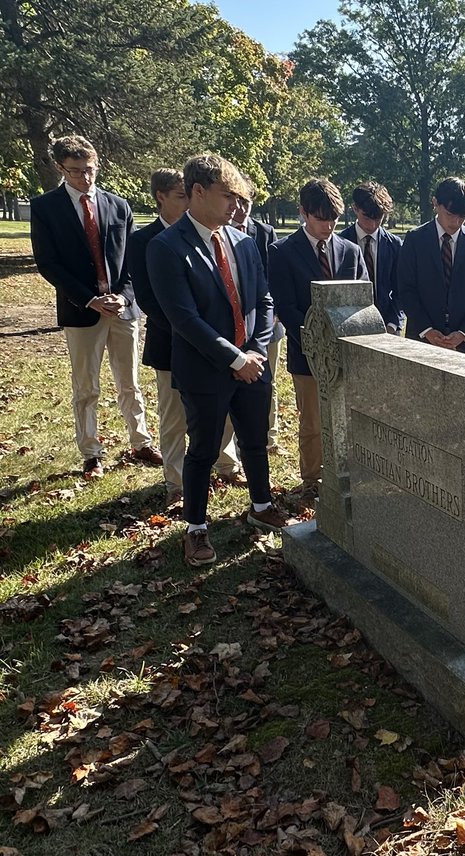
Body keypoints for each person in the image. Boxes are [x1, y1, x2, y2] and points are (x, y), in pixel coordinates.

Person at [145, 154, 292, 567]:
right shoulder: (166, 247)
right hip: (205, 369)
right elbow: (183, 318)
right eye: (228, 196)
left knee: (256, 441)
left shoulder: (243, 242)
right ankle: (195, 529)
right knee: (204, 449)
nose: (236, 206)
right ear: (197, 192)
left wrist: (257, 351)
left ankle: (261, 506)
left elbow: (263, 299)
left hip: (253, 365)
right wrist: (233, 358)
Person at [30, 134, 159, 478]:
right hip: (81, 311)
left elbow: (133, 258)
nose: (85, 178)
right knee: (86, 386)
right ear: (60, 168)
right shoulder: (46, 208)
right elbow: (48, 263)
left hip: (122, 309)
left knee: (129, 381)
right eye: (75, 172)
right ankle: (91, 452)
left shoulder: (118, 206)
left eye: (90, 170)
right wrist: (89, 299)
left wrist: (124, 295)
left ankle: (141, 442)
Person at [128, 168, 239, 507]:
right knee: (174, 414)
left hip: (218, 345)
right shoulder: (144, 241)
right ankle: (176, 481)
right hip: (171, 342)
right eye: (181, 197)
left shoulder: (213, 234)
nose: (188, 202)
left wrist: (215, 338)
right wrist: (188, 329)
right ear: (161, 197)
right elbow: (148, 299)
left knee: (223, 410)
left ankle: (227, 464)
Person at [269, 178, 366, 498]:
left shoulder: (350, 251)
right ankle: (312, 479)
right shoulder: (282, 252)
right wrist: (316, 342)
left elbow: (362, 300)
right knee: (312, 421)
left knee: (345, 418)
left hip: (346, 352)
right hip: (306, 353)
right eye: (321, 219)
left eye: (334, 219)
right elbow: (286, 306)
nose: (328, 226)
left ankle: (346, 475)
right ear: (303, 213)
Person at [399, 177, 465, 355]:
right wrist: (427, 330)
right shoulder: (415, 240)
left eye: (463, 217)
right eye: (450, 214)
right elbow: (406, 289)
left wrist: (463, 333)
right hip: (422, 341)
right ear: (435, 203)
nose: (456, 222)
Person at [231, 181, 281, 454]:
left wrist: (271, 316)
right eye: (235, 202)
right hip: (232, 326)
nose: (240, 209)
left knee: (266, 381)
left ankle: (268, 437)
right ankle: (231, 451)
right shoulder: (221, 233)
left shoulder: (264, 232)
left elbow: (273, 276)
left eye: (245, 203)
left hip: (266, 324)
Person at [339, 181, 405, 334]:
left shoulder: (395, 245)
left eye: (379, 218)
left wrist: (392, 324)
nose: (372, 224)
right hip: (349, 324)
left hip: (386, 324)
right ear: (355, 209)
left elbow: (400, 289)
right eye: (367, 217)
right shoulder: (340, 243)